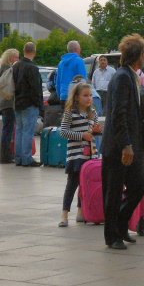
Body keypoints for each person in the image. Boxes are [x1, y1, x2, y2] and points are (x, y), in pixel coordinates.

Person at [100, 34, 144, 250]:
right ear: (139, 56)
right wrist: (126, 145)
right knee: (113, 191)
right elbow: (118, 114)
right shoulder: (122, 77)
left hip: (132, 145)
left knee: (139, 185)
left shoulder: (130, 76)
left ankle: (120, 225)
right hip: (119, 146)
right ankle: (112, 236)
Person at [59, 82, 102, 227]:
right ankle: (64, 215)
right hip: (76, 155)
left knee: (85, 185)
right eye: (85, 95)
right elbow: (63, 132)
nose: (89, 98)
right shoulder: (70, 113)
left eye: (90, 95)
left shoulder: (93, 113)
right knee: (72, 185)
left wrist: (96, 132)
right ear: (76, 97)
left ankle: (80, 211)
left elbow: (93, 133)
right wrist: (82, 135)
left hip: (90, 155)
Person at [13, 42, 43, 167]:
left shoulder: (16, 65)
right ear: (34, 52)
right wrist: (39, 104)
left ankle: (18, 158)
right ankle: (27, 158)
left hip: (17, 102)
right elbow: (36, 88)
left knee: (19, 130)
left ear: (23, 50)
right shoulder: (32, 68)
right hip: (29, 104)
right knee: (28, 132)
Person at [0, 48, 19, 164]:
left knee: (7, 129)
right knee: (8, 130)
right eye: (16, 57)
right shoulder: (9, 70)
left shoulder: (2, 70)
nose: (18, 59)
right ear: (10, 59)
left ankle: (5, 155)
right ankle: (6, 156)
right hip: (9, 103)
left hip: (3, 103)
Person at [56, 40, 87, 108]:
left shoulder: (60, 63)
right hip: (75, 96)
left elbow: (58, 82)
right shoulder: (79, 61)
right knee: (77, 118)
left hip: (63, 96)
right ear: (76, 49)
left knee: (66, 117)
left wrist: (61, 94)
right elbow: (83, 80)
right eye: (80, 48)